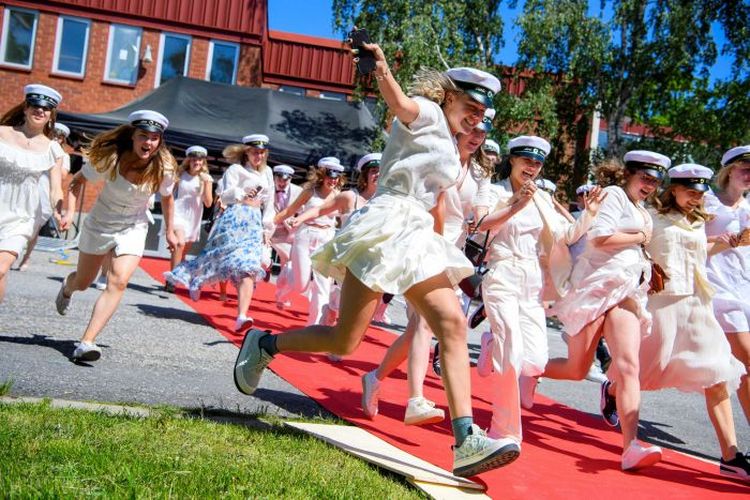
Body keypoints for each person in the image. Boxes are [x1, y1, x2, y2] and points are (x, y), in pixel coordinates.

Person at [234, 42, 516, 476]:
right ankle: (265, 344)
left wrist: (448, 260)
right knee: (345, 341)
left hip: (416, 233)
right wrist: (383, 68)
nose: (476, 119)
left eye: (483, 115)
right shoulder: (424, 111)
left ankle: (466, 440)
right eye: (471, 107)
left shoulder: (454, 147)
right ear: (450, 95)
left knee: (453, 324)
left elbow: (437, 204)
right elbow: (399, 102)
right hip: (385, 225)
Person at [360, 111, 494, 425]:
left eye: (482, 133)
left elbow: (483, 209)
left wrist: (486, 214)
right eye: (472, 128)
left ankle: (376, 377)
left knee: (417, 331)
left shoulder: (479, 171)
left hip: (453, 255)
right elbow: (429, 202)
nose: (476, 137)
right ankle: (415, 400)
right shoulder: (439, 156)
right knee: (422, 324)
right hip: (423, 244)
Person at [473, 136, 604, 449]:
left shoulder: (543, 199)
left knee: (534, 362)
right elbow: (480, 224)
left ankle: (490, 341)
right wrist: (516, 204)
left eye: (537, 162)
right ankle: (502, 429)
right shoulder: (492, 190)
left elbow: (565, 236)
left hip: (531, 282)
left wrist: (589, 216)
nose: (531, 167)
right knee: (512, 354)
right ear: (513, 160)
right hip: (501, 271)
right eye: (526, 160)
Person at [543, 151, 670, 471]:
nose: (650, 186)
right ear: (629, 174)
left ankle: (631, 446)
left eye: (655, 181)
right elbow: (600, 238)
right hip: (595, 288)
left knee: (629, 366)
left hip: (625, 291)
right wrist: (640, 236)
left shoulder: (643, 210)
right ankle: (525, 368)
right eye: (645, 178)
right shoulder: (614, 195)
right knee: (576, 369)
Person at [638, 163, 749, 480]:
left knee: (718, 373)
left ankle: (731, 456)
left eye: (700, 193)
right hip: (663, 304)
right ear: (673, 189)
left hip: (699, 303)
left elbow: (699, 252)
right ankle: (615, 389)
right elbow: (638, 252)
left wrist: (728, 242)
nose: (695, 199)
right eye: (689, 192)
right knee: (648, 370)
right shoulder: (653, 217)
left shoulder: (698, 220)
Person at [57, 110, 177, 361]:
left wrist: (170, 230)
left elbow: (167, 198)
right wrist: (68, 212)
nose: (148, 142)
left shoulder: (164, 167)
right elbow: (76, 182)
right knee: (83, 281)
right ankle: (67, 288)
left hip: (134, 226)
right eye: (143, 136)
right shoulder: (109, 159)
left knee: (119, 281)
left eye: (154, 138)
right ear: (132, 136)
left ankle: (87, 342)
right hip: (100, 224)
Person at [165, 134, 274, 332]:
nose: (258, 155)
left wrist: (267, 229)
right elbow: (224, 194)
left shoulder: (267, 173)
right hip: (235, 217)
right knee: (218, 257)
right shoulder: (236, 169)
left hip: (254, 222)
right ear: (246, 152)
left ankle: (242, 316)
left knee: (248, 267)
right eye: (254, 151)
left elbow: (270, 204)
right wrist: (241, 194)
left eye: (261, 152)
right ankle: (197, 279)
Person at [289, 152, 382, 329]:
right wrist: (299, 219)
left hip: (368, 262)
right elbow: (319, 210)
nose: (378, 175)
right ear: (365, 175)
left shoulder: (387, 202)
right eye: (373, 171)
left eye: (381, 171)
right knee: (336, 303)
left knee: (353, 305)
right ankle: (324, 322)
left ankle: (318, 329)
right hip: (345, 260)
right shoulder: (349, 197)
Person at [0, 84, 66, 303]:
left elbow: (55, 187)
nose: (40, 111)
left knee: (1, 268)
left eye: (46, 109)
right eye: (35, 106)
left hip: (21, 217)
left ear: (50, 115)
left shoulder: (52, 149)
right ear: (26, 108)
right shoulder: (2, 133)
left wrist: (59, 210)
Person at [704, 145, 750, 425]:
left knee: (744, 371)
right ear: (730, 170)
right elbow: (691, 244)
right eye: (746, 169)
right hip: (718, 290)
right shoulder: (708, 202)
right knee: (747, 359)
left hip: (745, 289)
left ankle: (614, 387)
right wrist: (723, 242)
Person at [273, 157, 344, 324]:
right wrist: (269, 225)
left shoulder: (339, 196)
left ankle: (314, 327)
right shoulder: (309, 192)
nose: (333, 181)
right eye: (329, 176)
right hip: (305, 235)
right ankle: (289, 271)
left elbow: (343, 218)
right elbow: (290, 210)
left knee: (322, 287)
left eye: (336, 177)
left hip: (326, 238)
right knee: (301, 285)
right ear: (321, 175)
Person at [15, 121, 72, 271]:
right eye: (54, 135)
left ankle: (26, 257)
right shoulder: (40, 147)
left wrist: (53, 161)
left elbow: (64, 175)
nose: (56, 139)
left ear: (63, 140)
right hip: (29, 189)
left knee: (35, 228)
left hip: (46, 194)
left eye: (59, 137)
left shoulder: (63, 156)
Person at [165, 145, 213, 292]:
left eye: (200, 160)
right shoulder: (181, 174)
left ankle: (175, 276)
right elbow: (169, 194)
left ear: (203, 162)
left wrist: (205, 184)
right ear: (189, 160)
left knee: (182, 252)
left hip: (194, 218)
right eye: (194, 159)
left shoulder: (206, 179)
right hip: (178, 213)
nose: (196, 162)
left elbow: (208, 203)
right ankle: (172, 280)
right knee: (179, 243)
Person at [269, 164, 302, 308]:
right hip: (268, 228)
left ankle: (281, 294)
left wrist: (293, 223)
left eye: (285, 181)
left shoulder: (298, 191)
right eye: (279, 180)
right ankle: (266, 269)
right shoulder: (267, 187)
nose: (282, 183)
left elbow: (302, 211)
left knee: (287, 261)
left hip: (286, 231)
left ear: (290, 179)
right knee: (263, 260)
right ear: (275, 177)